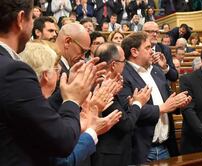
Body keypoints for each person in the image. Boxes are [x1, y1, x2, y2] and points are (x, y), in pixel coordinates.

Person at [0, 1, 98, 164]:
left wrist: (64, 91)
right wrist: (72, 100)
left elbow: (28, 114)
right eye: (32, 18)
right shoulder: (13, 71)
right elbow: (62, 141)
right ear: (21, 19)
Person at [119, 32, 191, 164]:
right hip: (141, 150)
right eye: (147, 48)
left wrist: (178, 103)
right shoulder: (123, 75)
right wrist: (162, 108)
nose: (152, 51)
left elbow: (168, 102)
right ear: (134, 52)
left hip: (166, 146)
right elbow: (128, 111)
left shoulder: (157, 71)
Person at [91, 42, 153, 166]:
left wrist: (129, 106)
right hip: (109, 157)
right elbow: (125, 124)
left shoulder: (104, 82)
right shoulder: (103, 87)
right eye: (123, 61)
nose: (125, 64)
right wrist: (137, 103)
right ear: (114, 65)